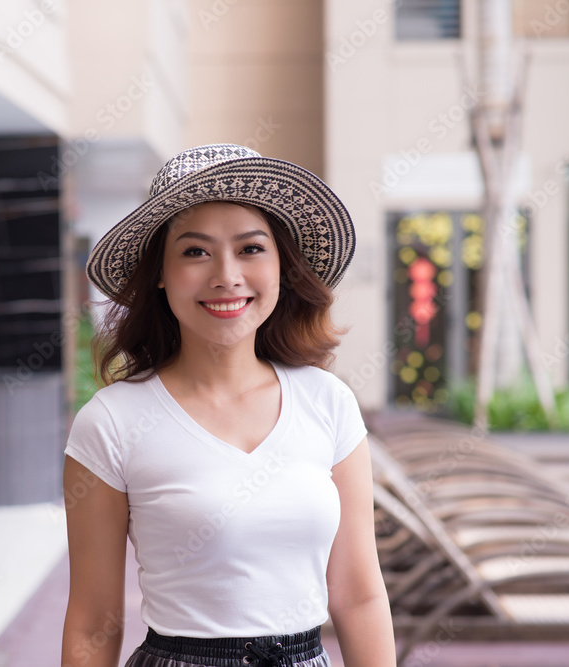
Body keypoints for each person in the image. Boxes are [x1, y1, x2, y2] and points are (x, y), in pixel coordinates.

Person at [61, 144, 396, 667]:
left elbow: (359, 597)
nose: (226, 275)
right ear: (160, 273)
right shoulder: (111, 421)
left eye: (251, 249)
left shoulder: (328, 402)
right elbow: (92, 619)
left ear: (282, 266)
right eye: (195, 251)